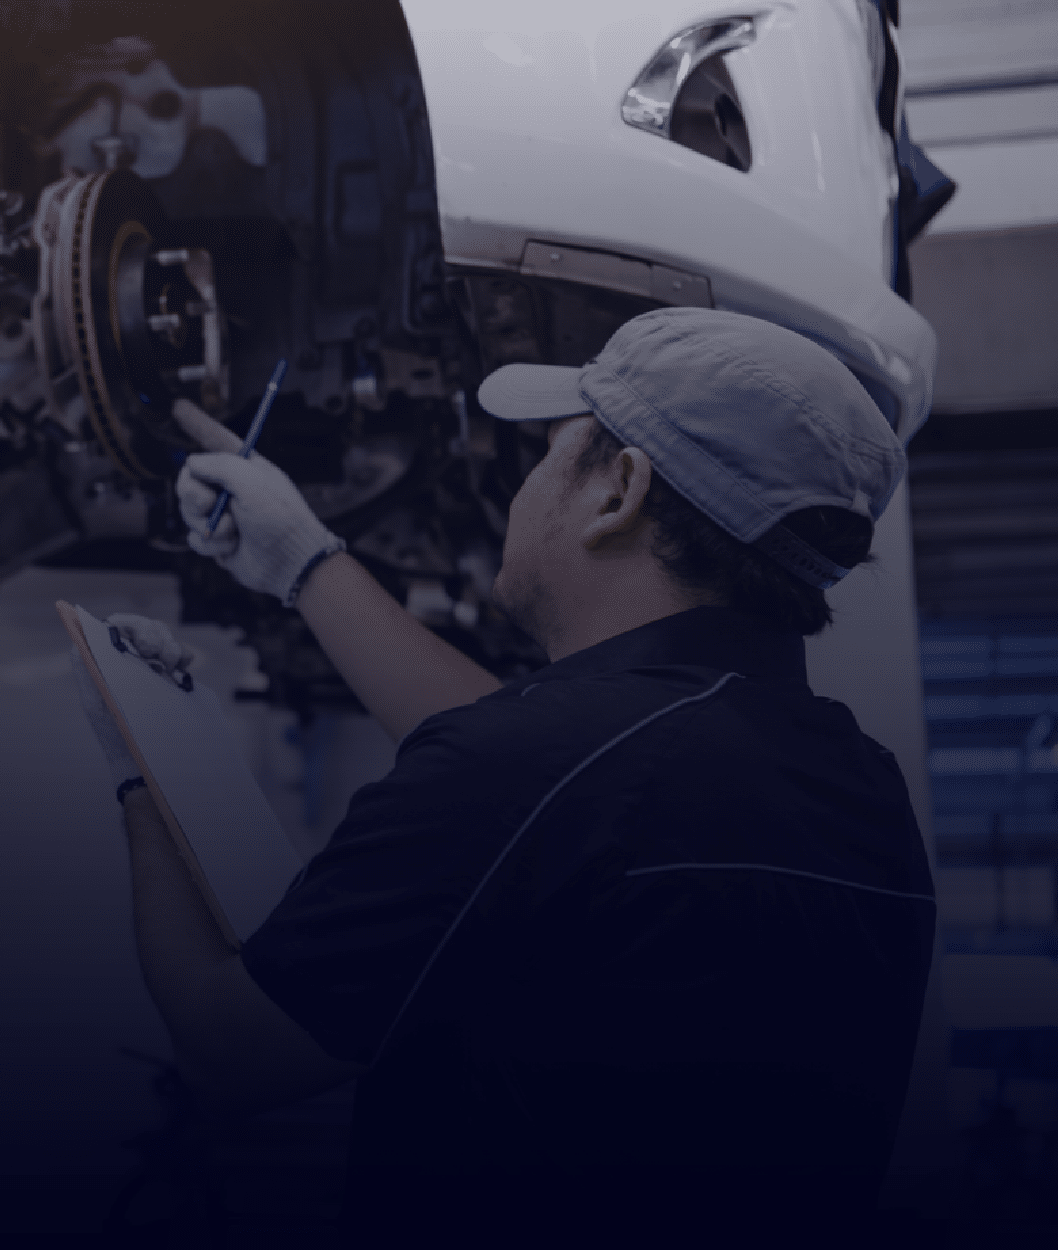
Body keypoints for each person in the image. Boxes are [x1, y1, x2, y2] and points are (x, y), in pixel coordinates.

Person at [70, 308, 936, 1246]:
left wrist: (137, 762)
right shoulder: (859, 788)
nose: (522, 484)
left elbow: (225, 1047)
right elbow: (549, 789)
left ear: (619, 492)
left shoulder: (537, 768)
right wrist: (303, 561)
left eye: (548, 450)